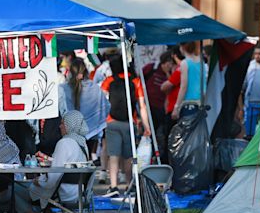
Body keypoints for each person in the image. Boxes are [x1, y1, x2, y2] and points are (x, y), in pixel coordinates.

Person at [15, 111, 90, 213]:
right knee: (25, 189)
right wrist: (50, 162)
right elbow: (67, 165)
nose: (60, 126)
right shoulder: (81, 143)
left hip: (63, 193)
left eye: (62, 124)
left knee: (14, 189)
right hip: (79, 191)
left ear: (70, 125)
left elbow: (53, 178)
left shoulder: (64, 143)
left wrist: (38, 181)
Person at [101, 55, 151, 197]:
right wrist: (146, 126)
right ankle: (130, 185)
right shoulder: (135, 81)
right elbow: (142, 106)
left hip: (111, 122)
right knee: (129, 156)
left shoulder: (108, 81)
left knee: (114, 155)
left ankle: (114, 186)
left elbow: (103, 102)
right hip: (130, 122)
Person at [59, 58, 110, 160]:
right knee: (88, 159)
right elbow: (106, 107)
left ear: (70, 72)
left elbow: (60, 109)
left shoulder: (63, 89)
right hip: (92, 132)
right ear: (86, 71)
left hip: (70, 132)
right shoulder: (95, 88)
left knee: (72, 160)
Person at [241, 44, 260, 138]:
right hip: (251, 102)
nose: (257, 56)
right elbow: (244, 84)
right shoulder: (250, 65)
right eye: (255, 54)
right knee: (249, 133)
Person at [171, 41, 206, 120]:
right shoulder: (201, 61)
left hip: (189, 103)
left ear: (182, 48)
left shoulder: (185, 63)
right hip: (202, 102)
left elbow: (184, 86)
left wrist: (176, 107)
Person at [142, 50, 174, 134]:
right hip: (148, 105)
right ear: (163, 62)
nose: (170, 66)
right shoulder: (152, 68)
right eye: (168, 63)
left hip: (161, 107)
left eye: (171, 64)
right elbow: (140, 78)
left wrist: (168, 75)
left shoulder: (171, 74)